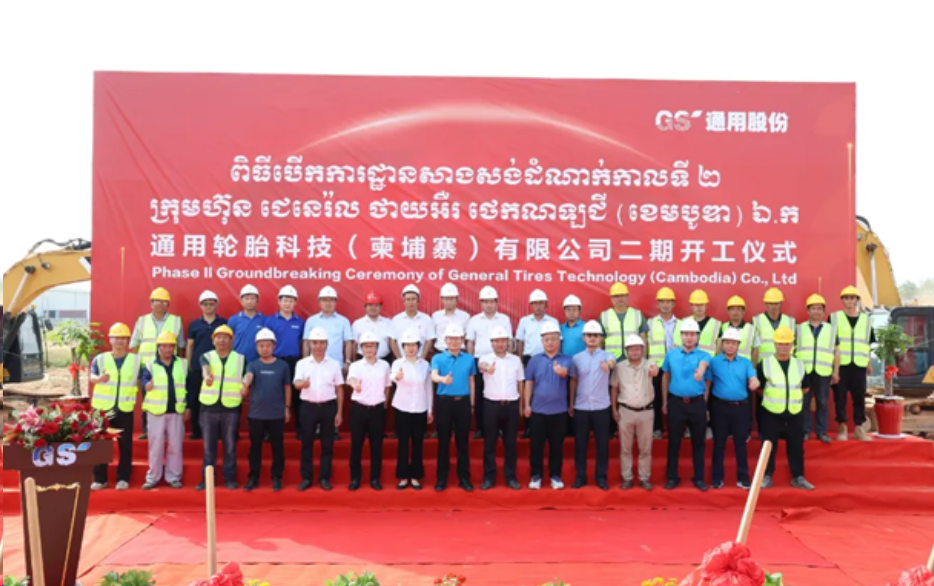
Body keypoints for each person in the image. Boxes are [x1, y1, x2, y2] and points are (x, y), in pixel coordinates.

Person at [757, 326, 815, 490]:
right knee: (769, 445)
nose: (783, 347)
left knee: (796, 446)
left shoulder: (799, 364)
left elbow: (805, 388)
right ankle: (766, 476)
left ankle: (798, 477)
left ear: (792, 344)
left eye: (787, 344)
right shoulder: (765, 364)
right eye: (780, 343)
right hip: (771, 412)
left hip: (795, 412)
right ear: (775, 344)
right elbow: (759, 388)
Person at [662, 318, 712, 492]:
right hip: (676, 403)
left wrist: (704, 402)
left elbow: (706, 374)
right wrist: (665, 401)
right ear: (681, 336)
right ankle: (672, 477)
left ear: (697, 337)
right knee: (673, 442)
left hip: (697, 404)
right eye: (686, 334)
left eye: (692, 334)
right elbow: (666, 377)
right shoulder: (671, 355)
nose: (689, 337)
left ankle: (698, 478)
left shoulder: (704, 355)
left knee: (699, 443)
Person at [89, 323, 141, 491]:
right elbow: (92, 376)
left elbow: (145, 377)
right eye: (116, 338)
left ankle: (123, 478)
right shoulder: (100, 359)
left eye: (123, 338)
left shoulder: (136, 360)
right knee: (100, 444)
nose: (120, 341)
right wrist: (98, 379)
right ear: (110, 339)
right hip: (102, 409)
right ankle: (100, 479)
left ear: (128, 340)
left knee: (125, 445)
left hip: (124, 407)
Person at [524, 322, 575, 490]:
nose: (550, 342)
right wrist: (526, 404)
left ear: (559, 340)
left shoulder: (567, 360)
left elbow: (568, 375)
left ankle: (555, 476)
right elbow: (529, 383)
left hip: (559, 411)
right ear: (542, 341)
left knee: (556, 446)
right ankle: (536, 476)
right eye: (547, 339)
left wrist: (562, 372)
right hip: (538, 410)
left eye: (553, 339)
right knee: (536, 446)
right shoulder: (534, 360)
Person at [294, 327, 344, 492]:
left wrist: (339, 412)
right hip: (308, 407)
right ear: (309, 344)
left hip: (328, 407)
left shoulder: (334, 364)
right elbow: (296, 383)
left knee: (327, 444)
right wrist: (303, 384)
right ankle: (306, 477)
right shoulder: (302, 364)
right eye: (315, 343)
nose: (318, 346)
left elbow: (339, 389)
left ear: (327, 344)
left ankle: (324, 477)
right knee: (306, 443)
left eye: (321, 343)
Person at [131, 287, 185, 440]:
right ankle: (148, 430)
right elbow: (134, 345)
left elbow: (181, 345)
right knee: (148, 398)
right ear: (151, 303)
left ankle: (168, 431)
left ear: (168, 304)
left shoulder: (176, 321)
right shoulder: (142, 321)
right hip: (147, 367)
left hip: (170, 366)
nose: (161, 304)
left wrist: (181, 365)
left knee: (170, 396)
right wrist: (135, 368)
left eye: (164, 301)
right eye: (157, 301)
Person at [709, 328, 759, 490]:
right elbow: (707, 383)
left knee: (740, 444)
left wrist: (755, 382)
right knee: (719, 443)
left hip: (740, 408)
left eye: (734, 343)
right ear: (722, 344)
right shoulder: (714, 362)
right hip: (720, 407)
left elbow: (753, 378)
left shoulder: (745, 362)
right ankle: (717, 478)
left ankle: (743, 478)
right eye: (727, 343)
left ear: (738, 345)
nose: (730, 346)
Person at [242, 328, 291, 492]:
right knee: (255, 447)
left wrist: (287, 408)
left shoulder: (283, 365)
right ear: (256, 347)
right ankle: (253, 477)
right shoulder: (252, 365)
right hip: (256, 414)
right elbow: (249, 376)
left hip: (276, 413)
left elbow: (287, 387)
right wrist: (245, 384)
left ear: (274, 346)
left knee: (278, 447)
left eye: (268, 345)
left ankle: (277, 477)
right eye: (261, 346)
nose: (265, 349)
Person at [196, 325, 244, 491]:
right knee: (209, 448)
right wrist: (207, 377)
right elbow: (205, 368)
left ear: (231, 341)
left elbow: (247, 375)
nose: (222, 340)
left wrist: (245, 385)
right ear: (213, 340)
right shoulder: (206, 356)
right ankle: (207, 480)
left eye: (226, 337)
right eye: (219, 337)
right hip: (209, 408)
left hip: (231, 408)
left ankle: (230, 478)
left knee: (230, 446)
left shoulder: (240, 359)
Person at [570, 320, 617, 491]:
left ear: (600, 338)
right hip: (581, 407)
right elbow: (573, 381)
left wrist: (607, 367)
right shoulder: (576, 358)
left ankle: (601, 477)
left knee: (602, 445)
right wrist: (571, 403)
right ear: (584, 338)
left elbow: (612, 363)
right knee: (580, 445)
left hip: (601, 408)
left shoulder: (608, 356)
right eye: (589, 335)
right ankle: (580, 476)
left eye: (595, 335)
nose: (592, 338)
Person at [140, 331, 189, 490]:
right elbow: (144, 381)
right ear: (158, 347)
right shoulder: (149, 365)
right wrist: (147, 385)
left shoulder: (183, 364)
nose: (167, 349)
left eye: (170, 346)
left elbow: (189, 386)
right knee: (156, 446)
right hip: (156, 412)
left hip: (176, 411)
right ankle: (153, 477)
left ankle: (173, 477)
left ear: (174, 348)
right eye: (164, 346)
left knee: (175, 446)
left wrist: (188, 407)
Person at [477, 325, 525, 491]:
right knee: (489, 444)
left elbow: (520, 382)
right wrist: (486, 368)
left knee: (510, 444)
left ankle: (511, 477)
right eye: (496, 341)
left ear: (508, 342)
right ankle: (489, 477)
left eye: (503, 341)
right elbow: (481, 366)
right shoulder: (485, 358)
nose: (500, 344)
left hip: (511, 406)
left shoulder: (515, 360)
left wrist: (522, 405)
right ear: (491, 343)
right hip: (491, 406)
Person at [431, 323, 477, 492]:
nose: (454, 342)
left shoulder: (469, 359)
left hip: (463, 403)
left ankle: (464, 478)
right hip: (444, 403)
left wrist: (472, 403)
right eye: (451, 339)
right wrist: (442, 379)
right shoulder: (438, 358)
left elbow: (471, 381)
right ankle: (441, 479)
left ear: (462, 340)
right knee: (443, 441)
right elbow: (434, 375)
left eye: (457, 339)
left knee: (462, 442)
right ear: (445, 340)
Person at [304, 285, 354, 440]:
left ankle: (333, 428)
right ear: (319, 302)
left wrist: (348, 362)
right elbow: (306, 342)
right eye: (324, 300)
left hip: (336, 365)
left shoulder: (343, 321)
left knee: (334, 396)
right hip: (314, 364)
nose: (327, 303)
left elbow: (348, 342)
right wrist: (305, 362)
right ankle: (316, 429)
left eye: (331, 300)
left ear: (335, 302)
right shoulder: (311, 321)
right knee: (316, 393)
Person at [611, 334, 659, 491]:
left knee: (646, 448)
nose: (635, 352)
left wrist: (653, 370)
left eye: (638, 349)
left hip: (646, 411)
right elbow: (614, 388)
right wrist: (614, 409)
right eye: (631, 349)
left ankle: (644, 478)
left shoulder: (650, 364)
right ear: (626, 351)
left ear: (642, 350)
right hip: (626, 411)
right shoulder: (619, 367)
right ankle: (627, 478)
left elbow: (655, 372)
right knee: (625, 448)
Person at [466, 286, 513, 440]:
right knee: (480, 396)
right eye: (485, 302)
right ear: (481, 303)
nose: (489, 305)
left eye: (491, 301)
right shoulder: (474, 320)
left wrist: (508, 359)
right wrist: (470, 362)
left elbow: (509, 341)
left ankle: (499, 429)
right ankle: (481, 428)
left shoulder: (504, 319)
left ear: (496, 302)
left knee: (498, 396)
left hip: (500, 360)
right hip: (479, 361)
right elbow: (470, 342)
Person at [347, 331, 392, 491]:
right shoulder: (355, 365)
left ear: (377, 348)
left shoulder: (385, 366)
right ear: (361, 348)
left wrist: (385, 405)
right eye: (366, 346)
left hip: (377, 410)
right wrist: (354, 384)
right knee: (356, 446)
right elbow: (351, 378)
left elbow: (387, 386)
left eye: (372, 346)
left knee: (376, 446)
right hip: (359, 409)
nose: (369, 349)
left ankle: (375, 478)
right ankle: (355, 479)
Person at [831, 286, 875, 442]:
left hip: (859, 365)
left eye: (852, 298)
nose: (849, 301)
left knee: (859, 397)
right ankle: (842, 426)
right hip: (841, 365)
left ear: (857, 300)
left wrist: (868, 363)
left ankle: (858, 428)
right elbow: (829, 343)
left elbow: (868, 344)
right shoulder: (834, 318)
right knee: (840, 397)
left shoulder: (866, 320)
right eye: (846, 298)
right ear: (842, 300)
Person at [391, 328, 433, 490]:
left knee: (418, 443)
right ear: (403, 347)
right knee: (403, 443)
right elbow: (391, 376)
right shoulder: (398, 363)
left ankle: (415, 476)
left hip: (420, 408)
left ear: (418, 347)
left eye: (414, 345)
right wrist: (397, 377)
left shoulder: (425, 365)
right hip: (402, 408)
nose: (410, 348)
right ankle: (403, 476)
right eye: (407, 345)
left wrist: (430, 410)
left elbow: (428, 388)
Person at [752, 287, 796, 438]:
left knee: (783, 397)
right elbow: (754, 346)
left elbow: (794, 344)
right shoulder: (757, 321)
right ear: (765, 304)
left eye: (776, 303)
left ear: (781, 304)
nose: (773, 306)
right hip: (764, 366)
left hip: (785, 365)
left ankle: (782, 431)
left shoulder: (790, 321)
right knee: (762, 399)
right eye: (770, 303)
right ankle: (763, 431)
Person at [797, 294, 840, 443]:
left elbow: (836, 351)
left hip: (823, 372)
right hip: (804, 372)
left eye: (819, 308)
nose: (816, 311)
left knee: (822, 403)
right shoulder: (799, 329)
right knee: (804, 403)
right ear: (808, 311)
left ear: (824, 311)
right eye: (813, 308)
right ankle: (805, 431)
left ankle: (821, 432)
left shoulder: (831, 329)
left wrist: (836, 371)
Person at [429, 283, 470, 439]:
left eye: (452, 298)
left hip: (459, 354)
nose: (449, 301)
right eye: (446, 298)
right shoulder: (435, 316)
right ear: (441, 299)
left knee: (458, 388)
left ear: (457, 299)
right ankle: (440, 427)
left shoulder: (465, 317)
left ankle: (458, 427)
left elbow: (467, 338)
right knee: (440, 392)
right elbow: (432, 337)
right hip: (441, 355)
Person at [516, 289, 559, 439]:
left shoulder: (553, 321)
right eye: (535, 303)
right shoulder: (524, 321)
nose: (538, 306)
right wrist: (520, 360)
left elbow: (559, 342)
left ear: (546, 304)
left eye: (541, 303)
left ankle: (548, 428)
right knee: (529, 394)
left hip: (549, 359)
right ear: (531, 305)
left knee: (547, 391)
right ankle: (529, 428)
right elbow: (520, 342)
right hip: (529, 359)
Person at [186, 290, 228, 441]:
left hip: (219, 367)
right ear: (200, 306)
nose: (209, 306)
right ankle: (197, 430)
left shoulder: (224, 323)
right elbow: (190, 346)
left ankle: (219, 431)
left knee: (218, 400)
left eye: (211, 304)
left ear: (216, 305)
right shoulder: (194, 325)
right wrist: (189, 365)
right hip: (198, 368)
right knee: (196, 399)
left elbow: (229, 343)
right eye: (205, 304)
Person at [265, 285, 305, 437]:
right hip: (276, 361)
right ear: (279, 302)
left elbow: (302, 343)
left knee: (297, 396)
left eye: (291, 300)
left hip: (294, 362)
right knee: (273, 395)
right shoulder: (270, 321)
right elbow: (266, 343)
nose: (287, 303)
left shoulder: (300, 322)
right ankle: (270, 431)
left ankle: (300, 429)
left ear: (295, 303)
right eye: (285, 300)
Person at [688, 289, 721, 440]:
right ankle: (690, 427)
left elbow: (719, 347)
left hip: (709, 367)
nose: (699, 308)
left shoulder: (716, 324)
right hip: (690, 367)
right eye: (696, 304)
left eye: (701, 304)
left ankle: (708, 427)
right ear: (691, 306)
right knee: (691, 398)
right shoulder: (684, 323)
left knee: (709, 400)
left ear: (706, 306)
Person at [646, 287, 680, 439]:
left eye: (669, 302)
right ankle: (657, 428)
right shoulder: (650, 323)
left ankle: (675, 429)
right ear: (657, 304)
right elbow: (645, 345)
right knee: (655, 399)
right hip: (656, 367)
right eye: (662, 302)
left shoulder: (682, 324)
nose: (665, 305)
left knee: (675, 400)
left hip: (676, 367)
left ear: (673, 304)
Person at [599, 282, 647, 361]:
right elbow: (600, 341)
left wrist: (643, 360)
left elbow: (643, 339)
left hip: (633, 360)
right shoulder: (604, 316)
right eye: (616, 296)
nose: (620, 299)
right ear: (611, 298)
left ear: (627, 297)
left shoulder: (637, 314)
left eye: (622, 295)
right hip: (611, 360)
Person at [390, 284, 435, 360]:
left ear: (418, 301)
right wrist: (399, 359)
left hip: (420, 359)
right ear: (404, 302)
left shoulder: (426, 319)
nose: (411, 302)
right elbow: (392, 341)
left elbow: (429, 340)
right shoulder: (396, 320)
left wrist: (422, 358)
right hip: (402, 359)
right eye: (408, 299)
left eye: (413, 299)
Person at [229, 284, 267, 364]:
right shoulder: (233, 320)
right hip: (237, 361)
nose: (249, 301)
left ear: (257, 301)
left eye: (253, 298)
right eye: (246, 298)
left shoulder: (264, 320)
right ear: (241, 300)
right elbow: (229, 341)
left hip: (258, 361)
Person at [352, 291, 394, 363]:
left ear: (381, 307)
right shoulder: (357, 324)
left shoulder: (388, 323)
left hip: (385, 359)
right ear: (365, 306)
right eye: (370, 305)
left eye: (376, 305)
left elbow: (392, 343)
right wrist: (353, 362)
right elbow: (354, 345)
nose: (373, 308)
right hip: (362, 361)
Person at [719, 296, 758, 362]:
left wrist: (753, 367)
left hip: (745, 365)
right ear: (728, 312)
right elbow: (719, 348)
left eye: (738, 309)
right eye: (732, 309)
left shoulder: (752, 329)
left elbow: (755, 350)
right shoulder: (722, 327)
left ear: (743, 312)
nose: (735, 312)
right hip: (726, 365)